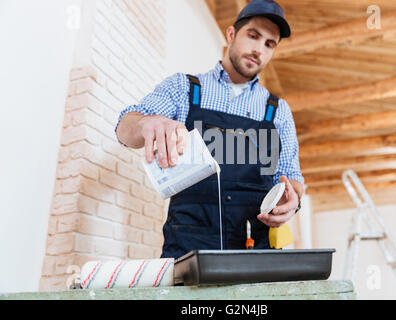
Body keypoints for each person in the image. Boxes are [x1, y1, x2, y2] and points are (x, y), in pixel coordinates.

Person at [115, 0, 304, 259]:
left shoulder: (278, 110)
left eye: (269, 44)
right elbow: (125, 130)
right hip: (188, 249)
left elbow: (291, 177)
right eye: (253, 36)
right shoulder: (184, 89)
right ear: (230, 34)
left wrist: (292, 200)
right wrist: (147, 123)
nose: (259, 49)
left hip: (255, 252)